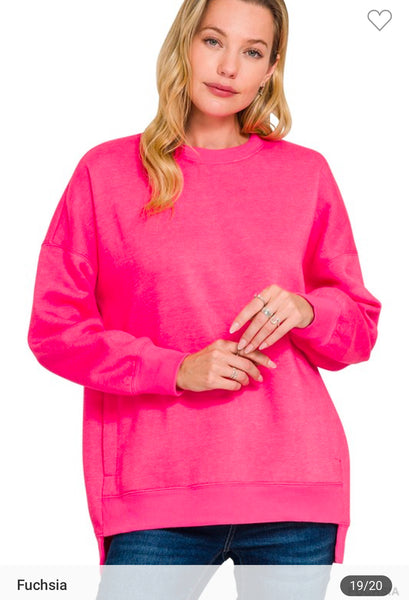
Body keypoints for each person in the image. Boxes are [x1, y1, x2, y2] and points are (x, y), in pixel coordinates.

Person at [27, 0, 381, 597]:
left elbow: (360, 331)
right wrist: (175, 369)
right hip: (155, 495)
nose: (229, 67)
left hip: (294, 488)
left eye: (252, 51)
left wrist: (308, 309)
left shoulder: (306, 174)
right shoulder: (106, 172)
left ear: (270, 69)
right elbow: (55, 330)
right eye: (214, 41)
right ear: (184, 44)